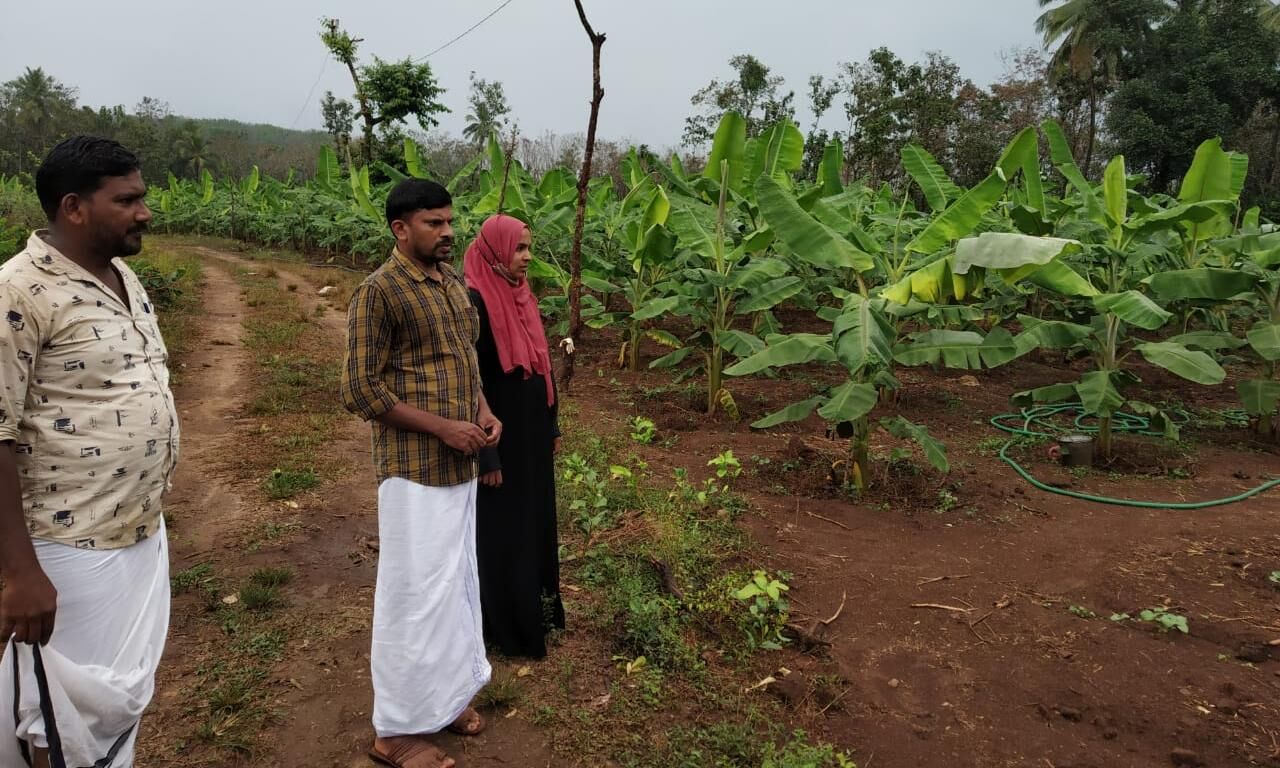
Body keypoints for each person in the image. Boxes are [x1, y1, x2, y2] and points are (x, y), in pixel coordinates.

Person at [0, 136, 179, 768]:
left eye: (143, 197)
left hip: (136, 526)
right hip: (66, 545)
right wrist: (21, 572)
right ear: (74, 208)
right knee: (61, 711)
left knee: (113, 702)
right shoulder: (17, 293)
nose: (144, 212)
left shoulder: (121, 273)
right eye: (127, 200)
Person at [340, 179, 503, 768]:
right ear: (400, 229)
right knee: (413, 595)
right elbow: (360, 389)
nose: (448, 232)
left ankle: (448, 695)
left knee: (456, 584)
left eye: (450, 222)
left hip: (459, 462)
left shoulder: (452, 284)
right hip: (413, 470)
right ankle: (398, 730)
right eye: (433, 224)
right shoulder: (379, 292)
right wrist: (440, 426)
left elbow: (464, 362)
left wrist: (482, 411)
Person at [464, 215, 564, 660]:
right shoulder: (475, 302)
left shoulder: (522, 296)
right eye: (519, 249)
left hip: (533, 435)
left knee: (536, 519)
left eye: (529, 248)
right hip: (500, 438)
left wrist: (552, 424)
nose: (527, 258)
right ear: (496, 251)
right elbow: (470, 383)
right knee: (504, 530)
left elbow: (542, 366)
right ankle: (506, 628)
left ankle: (539, 613)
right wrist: (488, 457)